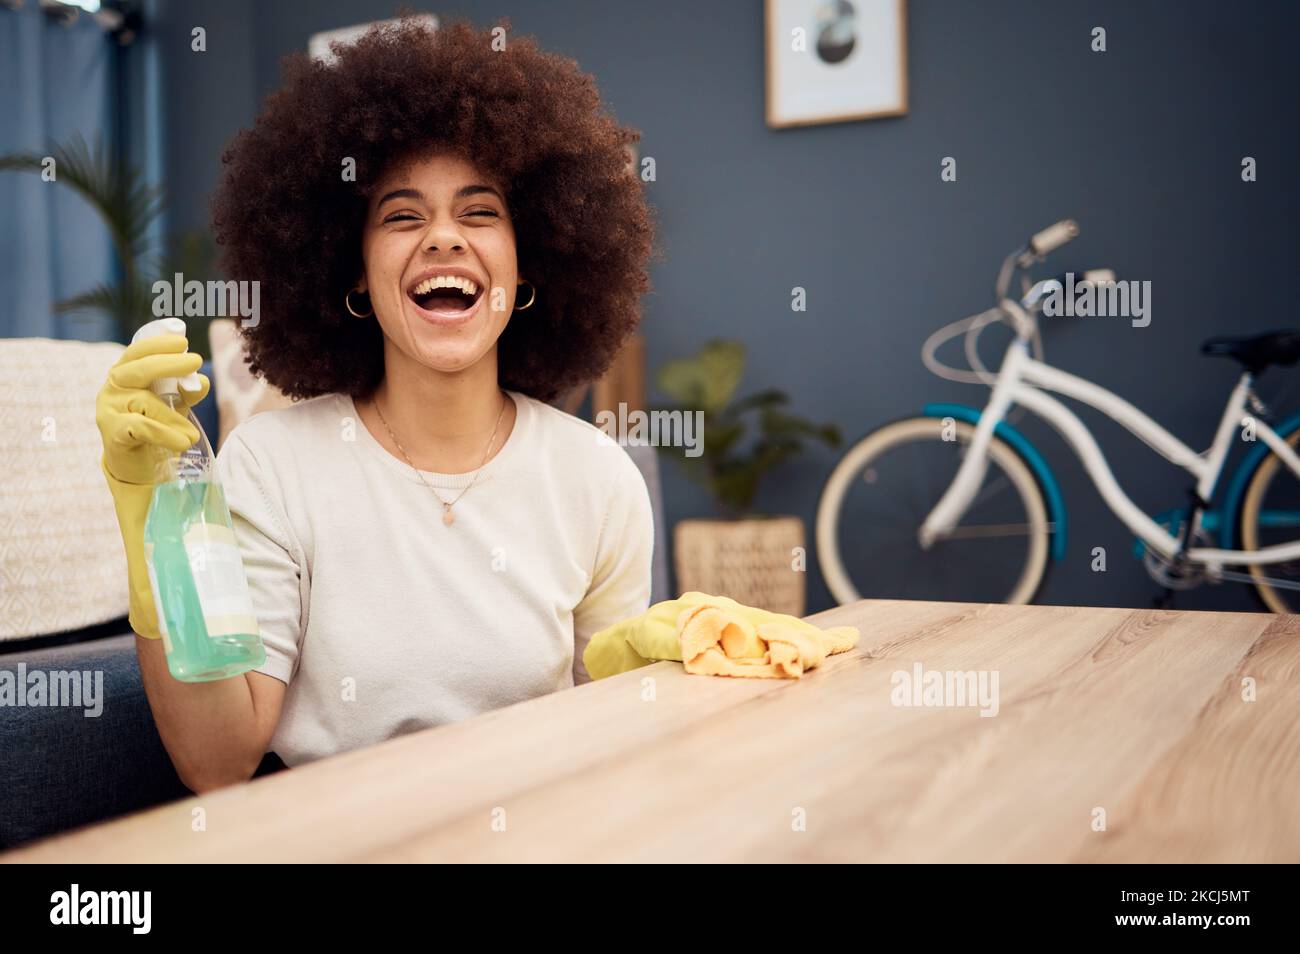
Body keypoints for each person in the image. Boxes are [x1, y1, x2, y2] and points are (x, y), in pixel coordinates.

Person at [95, 16, 656, 792]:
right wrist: (154, 523)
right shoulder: (273, 464)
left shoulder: (598, 479)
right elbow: (217, 762)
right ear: (353, 272)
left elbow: (618, 744)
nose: (443, 239)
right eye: (402, 216)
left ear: (529, 266)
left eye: (480, 212)